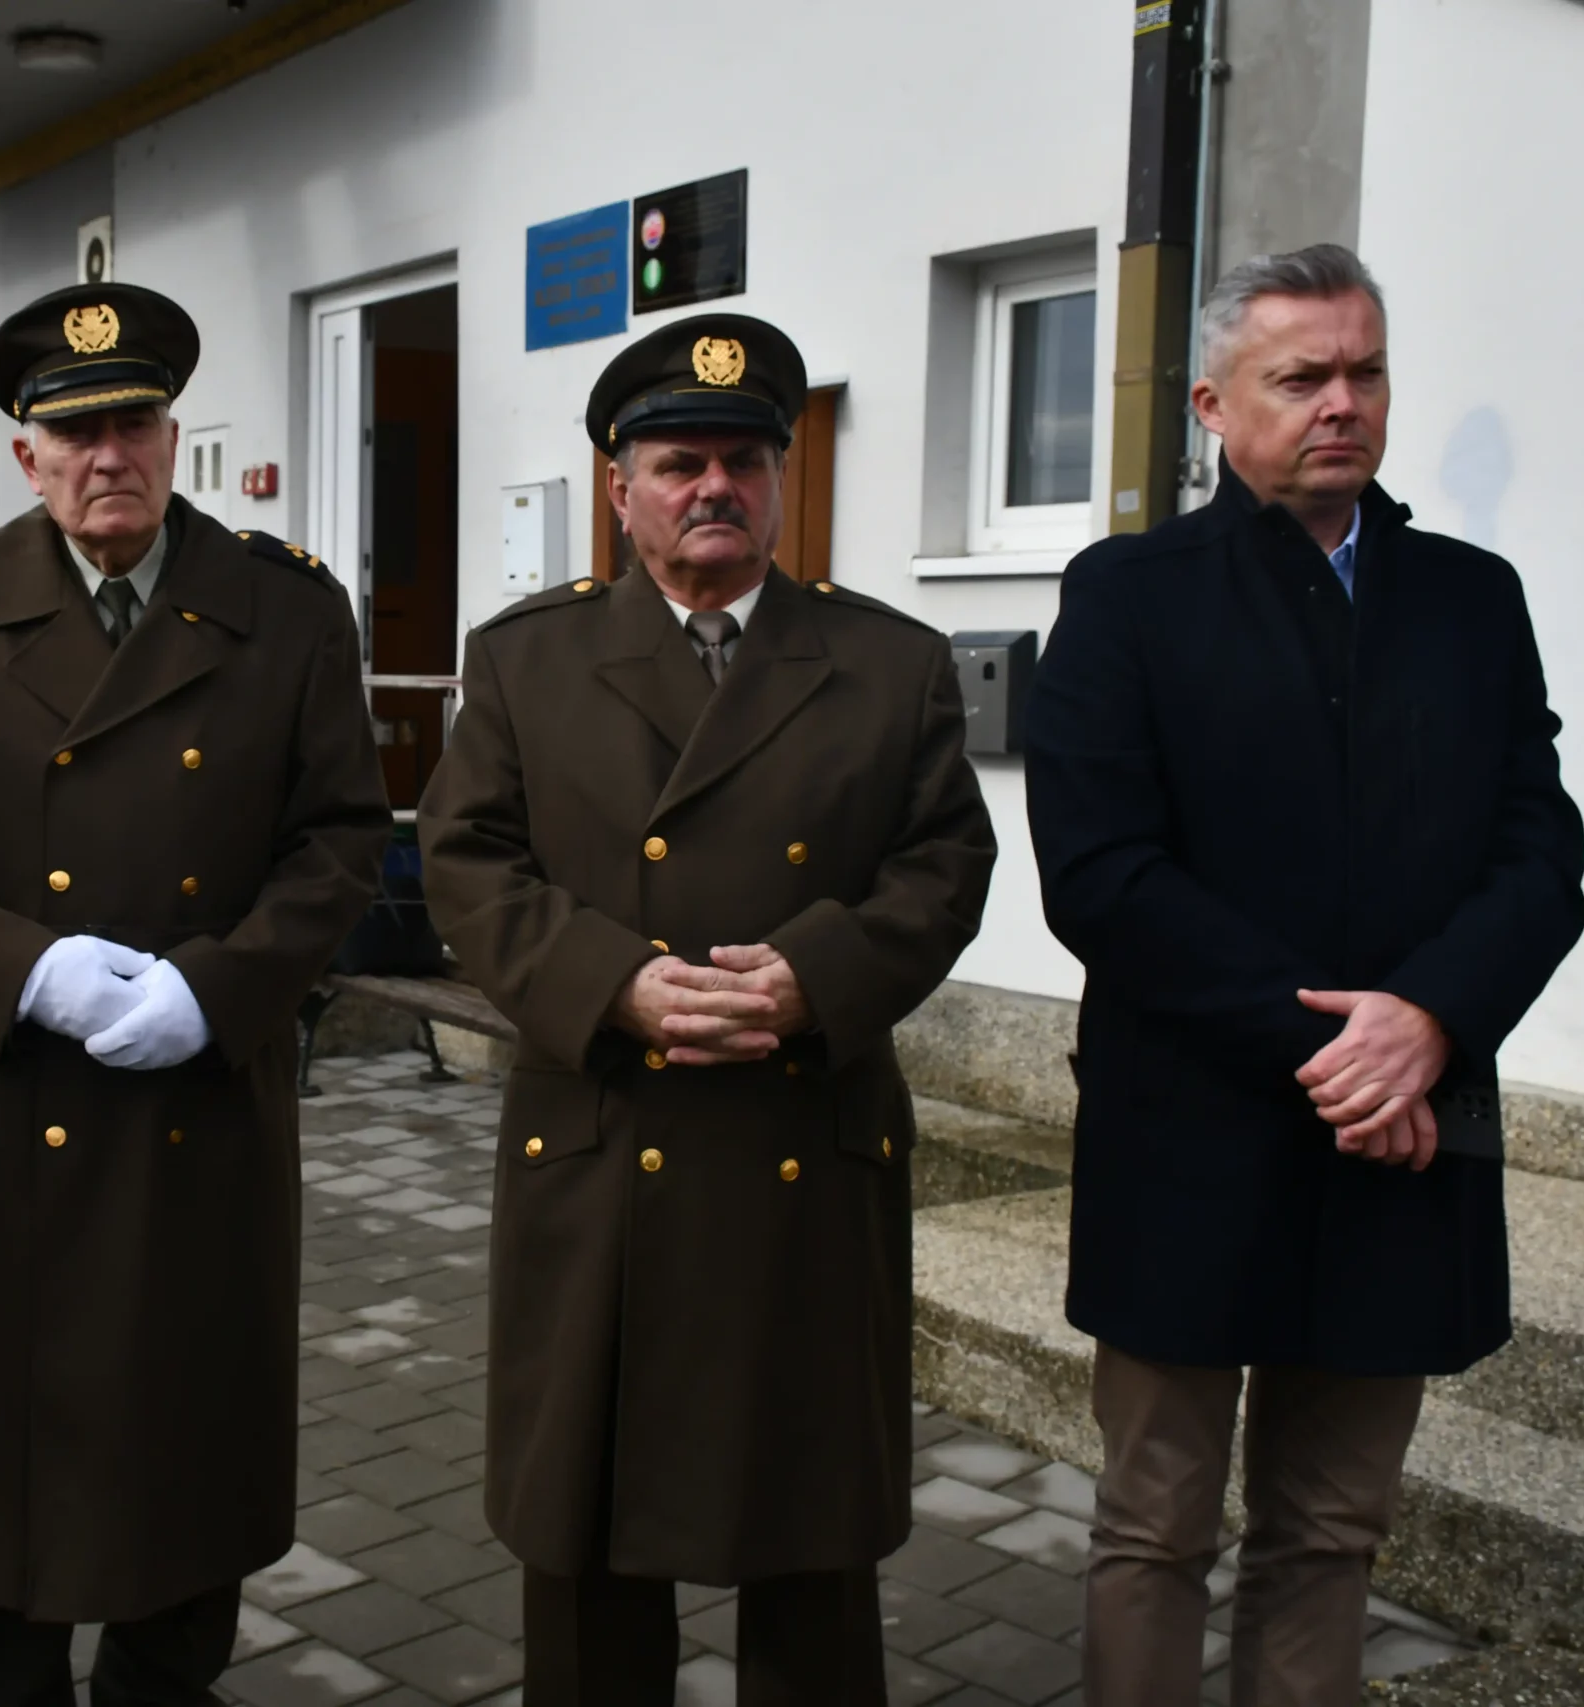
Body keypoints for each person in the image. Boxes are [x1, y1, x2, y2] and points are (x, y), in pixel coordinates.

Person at [1023, 244, 1584, 1707]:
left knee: (1331, 1532)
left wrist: (1433, 1020)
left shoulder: (1470, 599)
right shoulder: (1130, 595)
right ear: (1214, 401)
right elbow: (1102, 873)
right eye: (1302, 377)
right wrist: (1338, 1047)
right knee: (1155, 1525)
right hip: (1194, 1136)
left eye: (1366, 371)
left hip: (1404, 1139)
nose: (1342, 402)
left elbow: (1539, 847)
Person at [418, 313, 998, 1703]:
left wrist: (820, 976)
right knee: (588, 1540)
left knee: (810, 1543)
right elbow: (466, 858)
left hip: (806, 1141)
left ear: (780, 479)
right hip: (609, 1136)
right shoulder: (524, 661)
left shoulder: (889, 662)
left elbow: (946, 864)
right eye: (679, 461)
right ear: (620, 487)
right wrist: (608, 978)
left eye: (743, 459)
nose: (713, 487)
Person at [0, 282, 390, 1707]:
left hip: (207, 1102)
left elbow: (340, 842)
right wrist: (32, 967)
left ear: (172, 433)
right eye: (71, 431)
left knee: (190, 1450)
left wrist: (226, 991)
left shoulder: (283, 604)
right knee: (2, 1458)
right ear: (24, 453)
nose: (106, 456)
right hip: (18, 1102)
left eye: (131, 421)